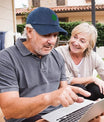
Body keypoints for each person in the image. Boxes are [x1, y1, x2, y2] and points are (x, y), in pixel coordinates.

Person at [0, 7, 91, 122]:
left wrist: (85, 111)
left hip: (58, 115)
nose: (52, 41)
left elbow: (63, 90)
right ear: (29, 31)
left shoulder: (57, 56)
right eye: (46, 35)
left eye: (55, 35)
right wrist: (49, 98)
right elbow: (10, 110)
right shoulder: (6, 58)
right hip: (26, 118)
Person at [56, 22, 104, 101]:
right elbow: (67, 80)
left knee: (99, 88)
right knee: (78, 88)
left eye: (82, 41)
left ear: (89, 45)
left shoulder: (92, 56)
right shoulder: (59, 52)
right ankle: (88, 106)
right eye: (75, 37)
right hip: (65, 92)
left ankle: (91, 107)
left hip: (85, 93)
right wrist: (92, 79)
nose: (76, 43)